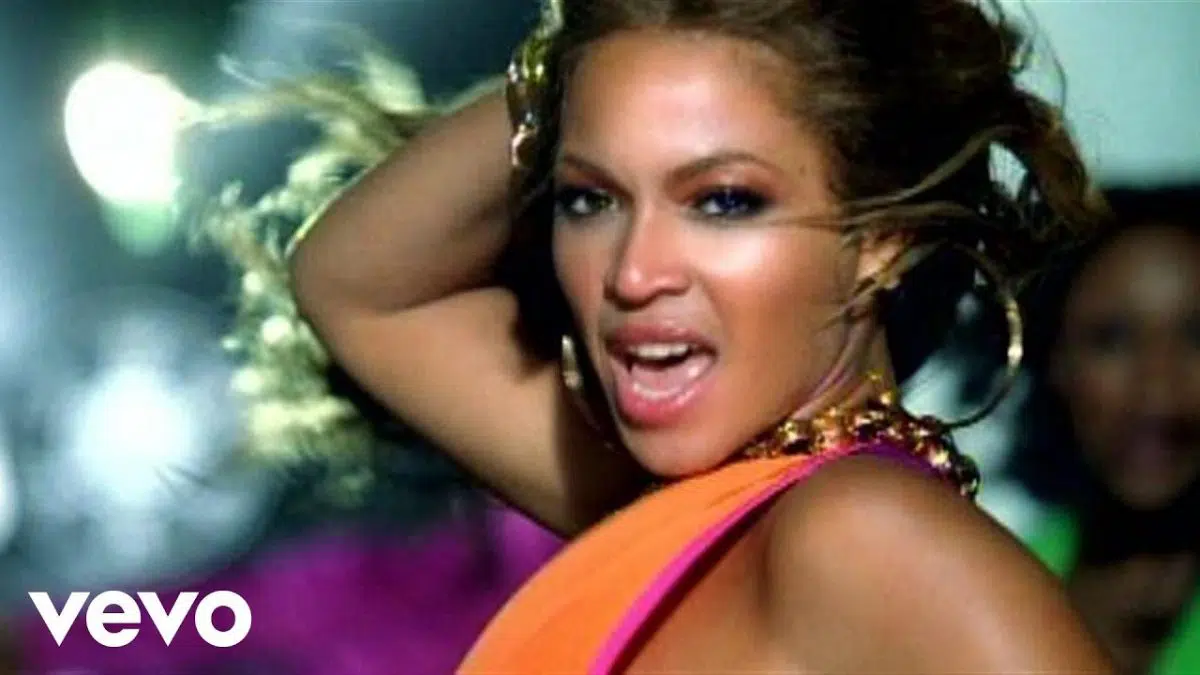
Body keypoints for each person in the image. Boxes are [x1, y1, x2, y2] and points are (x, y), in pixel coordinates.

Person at [286, 0, 1115, 671]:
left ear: (881, 238)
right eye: (590, 198)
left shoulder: (862, 533)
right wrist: (581, 64)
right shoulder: (686, 513)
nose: (633, 272)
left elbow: (361, 291)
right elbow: (354, 283)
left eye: (723, 200)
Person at [1017, 186, 1200, 674]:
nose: (1158, 394)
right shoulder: (995, 581)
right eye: (1113, 339)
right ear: (1055, 359)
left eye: (1197, 338)